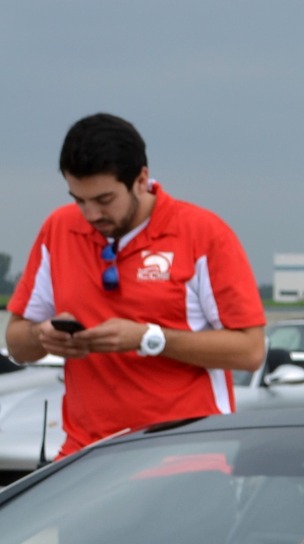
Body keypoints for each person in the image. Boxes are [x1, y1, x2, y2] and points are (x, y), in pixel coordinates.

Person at [4, 113, 265, 456]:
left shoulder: (203, 233)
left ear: (141, 180)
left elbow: (250, 351)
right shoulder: (58, 229)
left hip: (188, 453)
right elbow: (17, 344)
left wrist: (149, 338)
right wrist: (43, 337)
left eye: (104, 200)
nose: (91, 214)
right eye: (79, 199)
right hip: (86, 454)